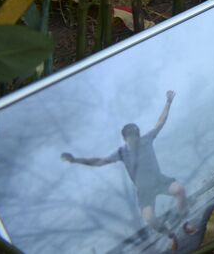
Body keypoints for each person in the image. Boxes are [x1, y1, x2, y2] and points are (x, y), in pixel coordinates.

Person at [62, 90, 192, 237]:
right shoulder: (121, 152)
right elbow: (99, 161)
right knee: (149, 219)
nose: (135, 138)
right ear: (125, 139)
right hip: (144, 191)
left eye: (136, 134)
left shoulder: (147, 139)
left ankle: (185, 221)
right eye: (131, 136)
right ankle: (170, 234)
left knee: (179, 189)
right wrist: (75, 160)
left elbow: (161, 121)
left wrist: (168, 102)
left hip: (159, 180)